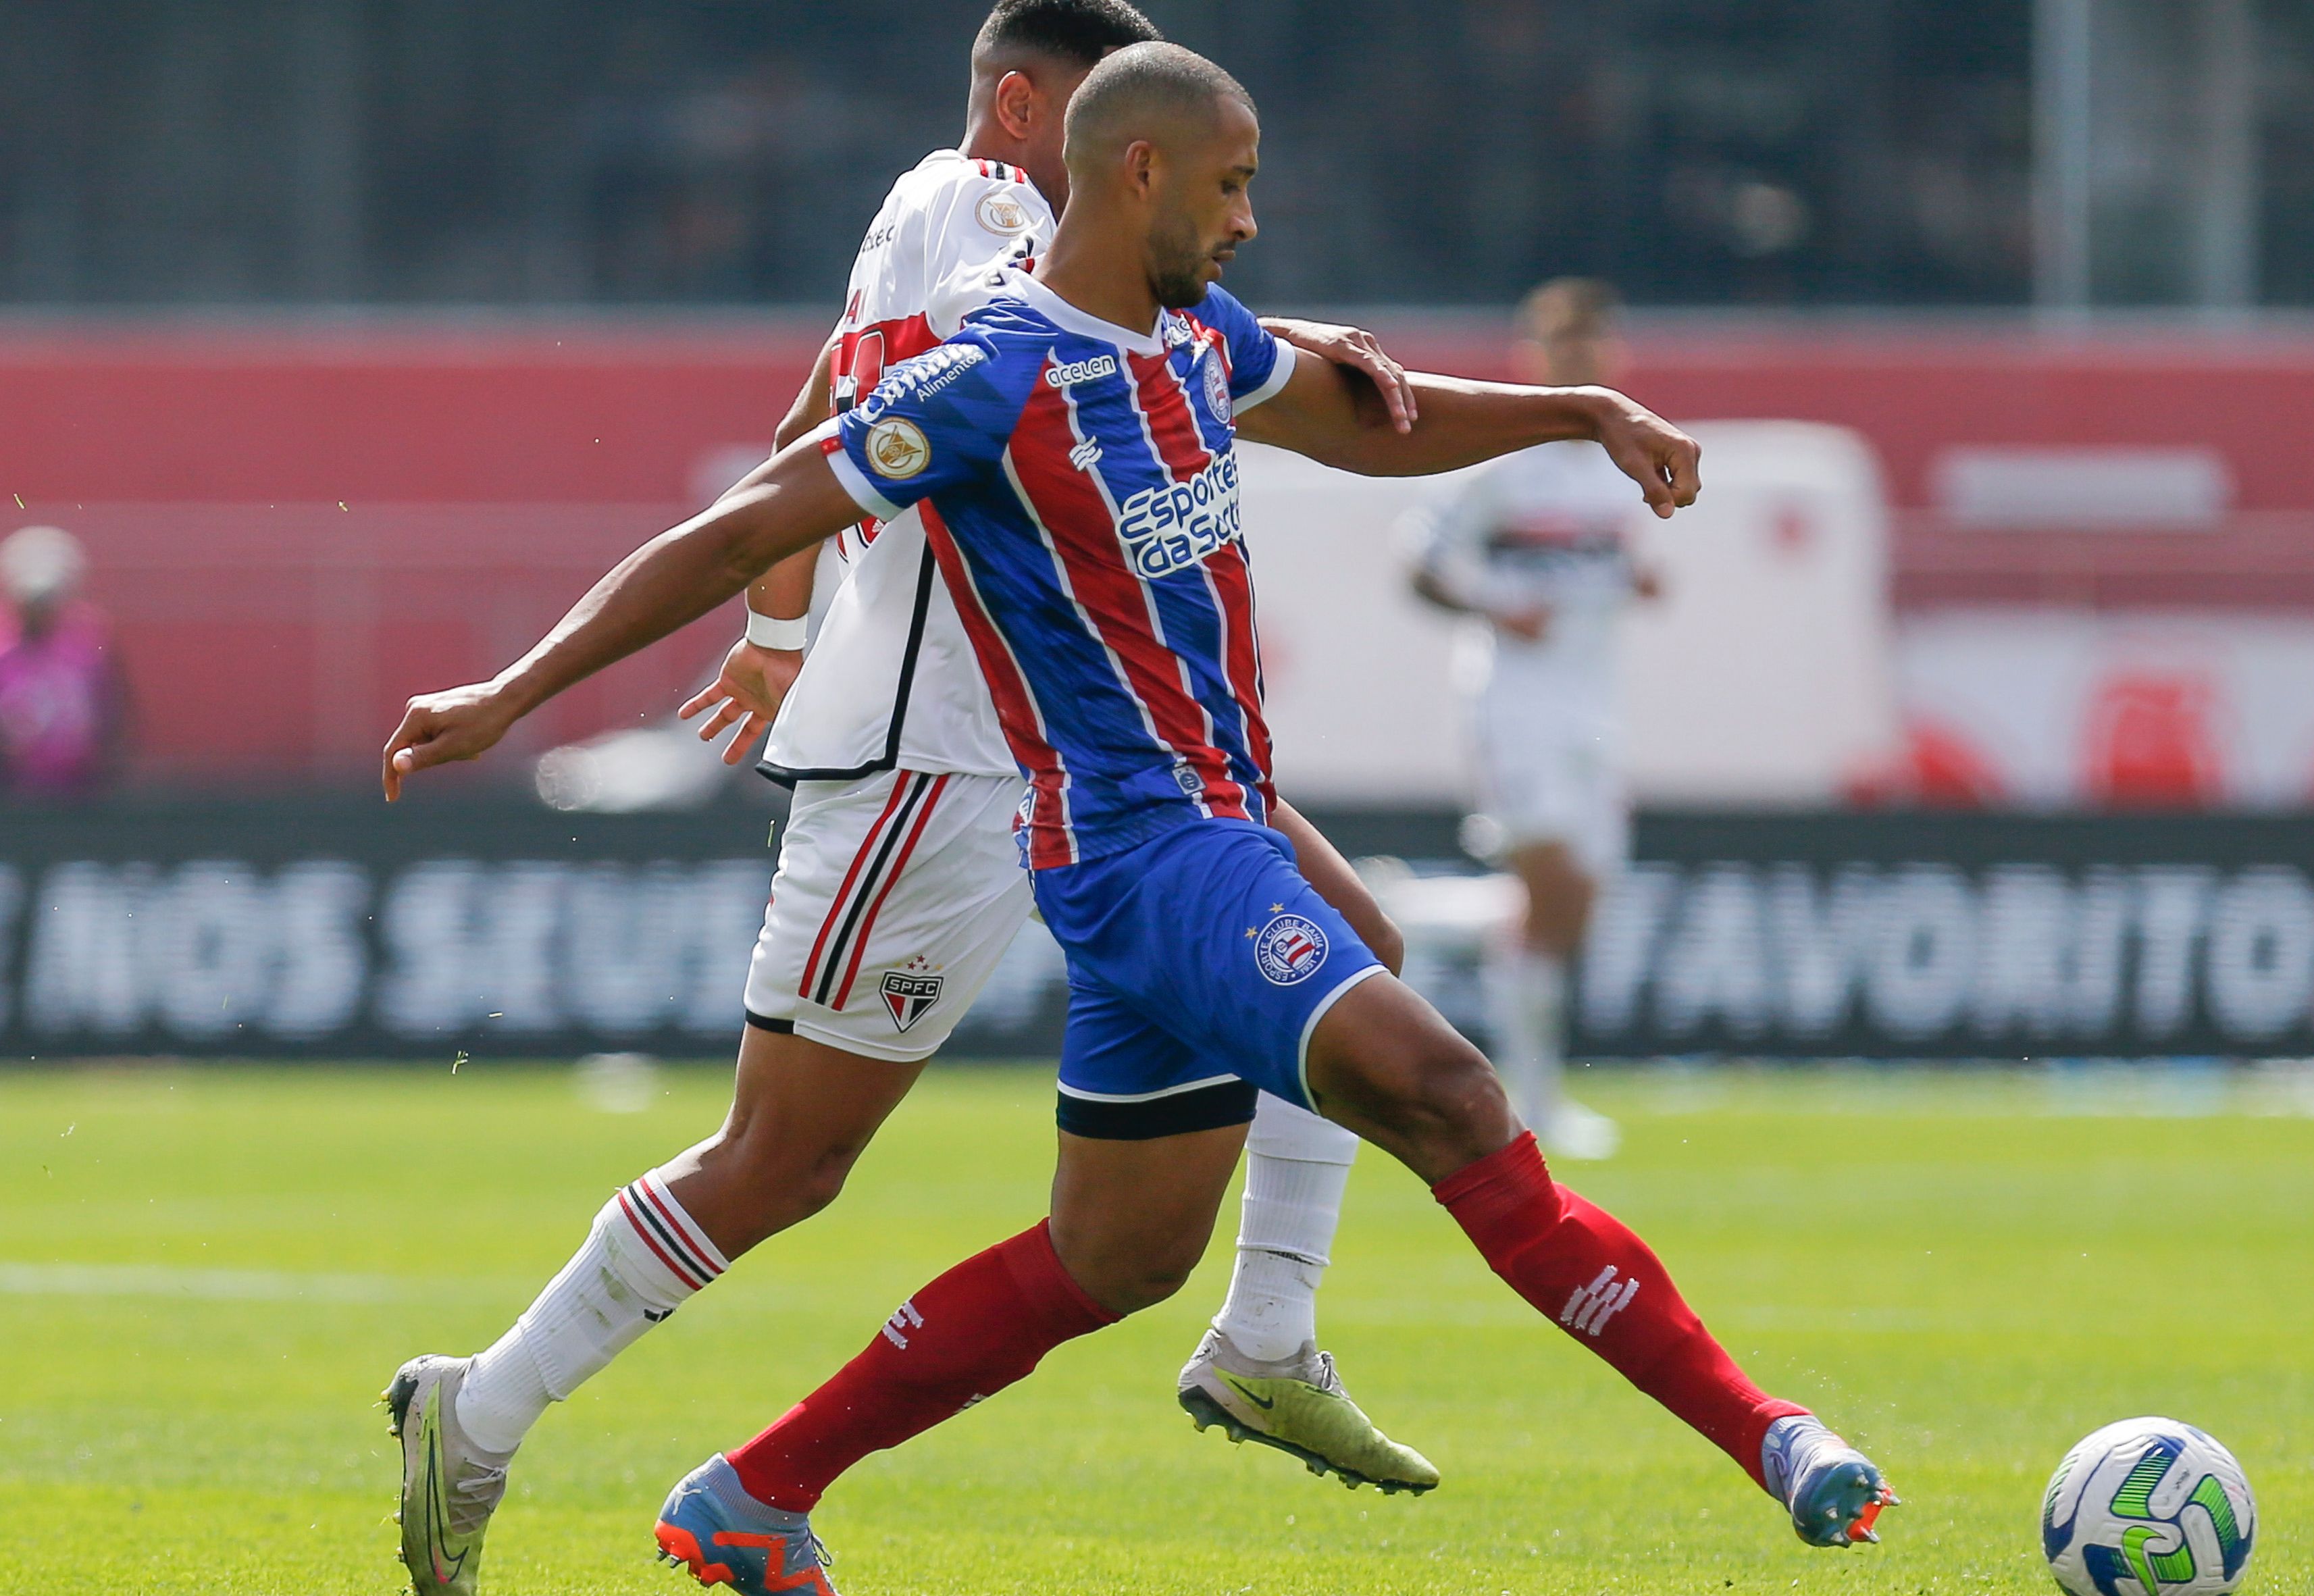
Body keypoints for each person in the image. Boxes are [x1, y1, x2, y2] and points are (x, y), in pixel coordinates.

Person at [380, 44, 1891, 1595]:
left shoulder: (1197, 339)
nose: (1252, 217)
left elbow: (1372, 422)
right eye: (1232, 183)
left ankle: (758, 1490)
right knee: (1436, 1089)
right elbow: (754, 514)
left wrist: (1576, 409)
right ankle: (1769, 1433)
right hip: (1116, 838)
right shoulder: (986, 360)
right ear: (1135, 169)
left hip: (1185, 828)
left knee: (1119, 1253)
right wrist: (518, 686)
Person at [380, 7, 1433, 1594]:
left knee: (1352, 948)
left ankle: (1268, 1326)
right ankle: (483, 1406)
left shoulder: (919, 211)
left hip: (1079, 744)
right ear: (1030, 116)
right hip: (940, 755)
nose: (1144, 191)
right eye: (1119, 143)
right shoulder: (989, 212)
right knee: (781, 1161)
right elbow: (1060, 336)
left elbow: (819, 415)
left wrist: (779, 618)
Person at [1407, 279, 1662, 1160]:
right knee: (1551, 887)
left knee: (1573, 903)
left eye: (1593, 344)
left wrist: (1637, 583)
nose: (1580, 360)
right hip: (1516, 702)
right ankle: (1535, 1100)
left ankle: (1420, 912)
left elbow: (1619, 565)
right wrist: (1497, 603)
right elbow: (1422, 564)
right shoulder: (1502, 464)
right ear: (1535, 357)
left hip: (1596, 703)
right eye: (1564, 346)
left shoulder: (1625, 469)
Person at [0, 524, 126, 800]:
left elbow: (111, 707)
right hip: (14, 795)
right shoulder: (4, 649)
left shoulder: (89, 642)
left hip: (79, 789)